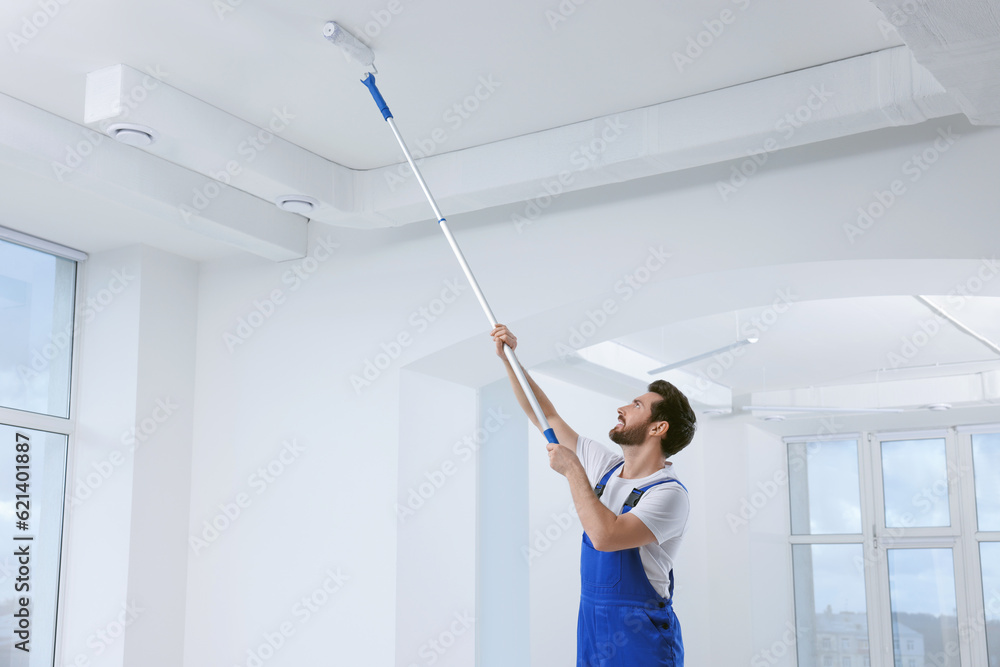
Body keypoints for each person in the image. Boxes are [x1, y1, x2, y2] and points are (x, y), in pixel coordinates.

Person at [491, 324, 697, 666]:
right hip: (591, 623)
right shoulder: (604, 465)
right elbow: (546, 415)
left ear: (658, 428)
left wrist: (573, 471)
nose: (622, 408)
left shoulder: (669, 495)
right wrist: (510, 360)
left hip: (640, 634)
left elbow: (605, 536)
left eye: (635, 405)